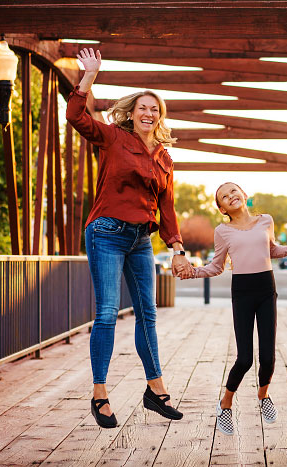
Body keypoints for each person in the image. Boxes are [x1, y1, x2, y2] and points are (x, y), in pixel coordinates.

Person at [66, 48, 192, 428]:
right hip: (106, 232)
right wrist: (89, 76)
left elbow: (167, 207)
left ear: (160, 116)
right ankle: (99, 394)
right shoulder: (112, 137)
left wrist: (178, 249)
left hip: (141, 240)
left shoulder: (164, 158)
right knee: (107, 313)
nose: (149, 113)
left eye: (155, 109)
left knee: (147, 315)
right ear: (132, 112)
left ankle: (155, 389)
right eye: (143, 107)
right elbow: (75, 116)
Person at [179, 182, 287, 435]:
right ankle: (225, 404)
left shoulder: (266, 220)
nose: (231, 197)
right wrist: (192, 272)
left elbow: (271, 250)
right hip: (242, 292)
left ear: (244, 195)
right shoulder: (222, 231)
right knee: (245, 358)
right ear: (222, 208)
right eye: (224, 197)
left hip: (266, 288)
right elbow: (217, 266)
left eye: (233, 191)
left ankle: (263, 397)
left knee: (268, 357)